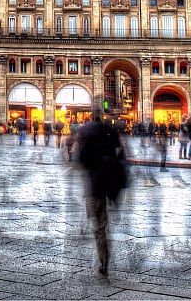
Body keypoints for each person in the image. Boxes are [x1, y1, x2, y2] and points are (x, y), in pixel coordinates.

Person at [75, 107, 127, 276]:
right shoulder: (110, 131)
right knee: (102, 226)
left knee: (98, 225)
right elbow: (121, 155)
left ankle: (102, 259)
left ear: (91, 116)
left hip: (94, 184)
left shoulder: (85, 131)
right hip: (109, 182)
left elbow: (80, 159)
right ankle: (104, 261)